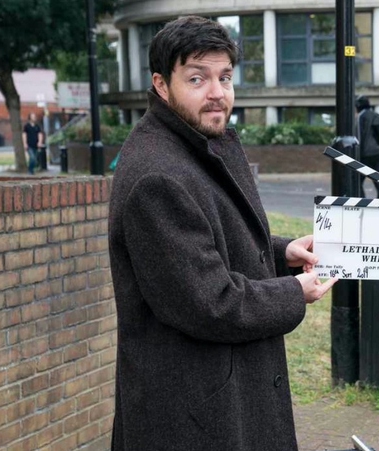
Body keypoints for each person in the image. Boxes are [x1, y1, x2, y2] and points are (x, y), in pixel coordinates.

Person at [107, 16, 337, 451]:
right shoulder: (158, 176)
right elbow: (211, 303)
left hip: (217, 399)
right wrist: (294, 291)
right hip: (197, 417)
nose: (217, 92)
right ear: (161, 84)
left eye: (225, 77)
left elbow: (208, 238)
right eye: (197, 78)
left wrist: (282, 251)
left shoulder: (188, 144)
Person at [356, 95, 379, 198]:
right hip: (376, 152)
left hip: (363, 154)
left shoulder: (359, 118)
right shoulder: (375, 116)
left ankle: (361, 201)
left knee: (358, 181)